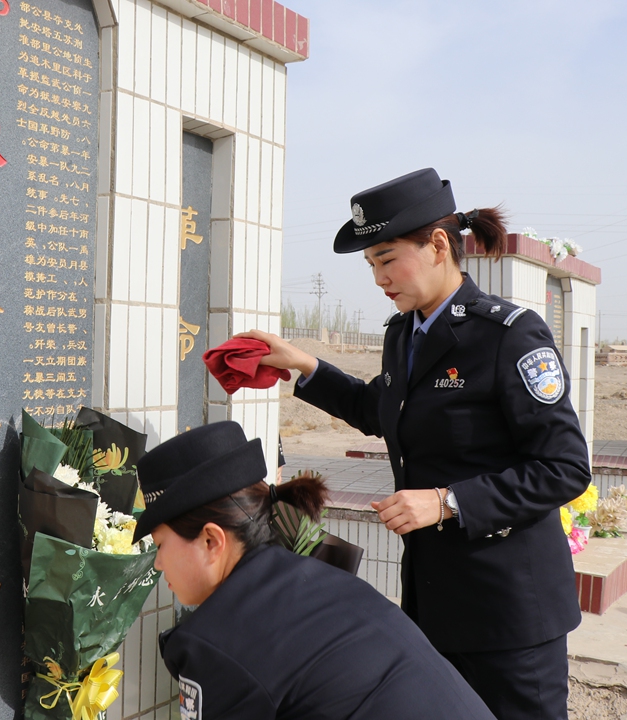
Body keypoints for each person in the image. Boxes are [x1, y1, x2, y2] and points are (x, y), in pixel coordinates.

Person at [238, 168, 592, 720]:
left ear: (438, 245)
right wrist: (304, 366)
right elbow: (380, 409)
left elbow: (565, 468)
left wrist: (447, 501)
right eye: (370, 265)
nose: (379, 278)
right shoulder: (403, 334)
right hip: (435, 600)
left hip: (510, 610)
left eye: (386, 258)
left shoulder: (507, 335)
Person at [133, 421, 496, 720]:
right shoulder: (321, 580)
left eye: (161, 545)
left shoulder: (218, 644)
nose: (159, 562)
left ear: (212, 541)